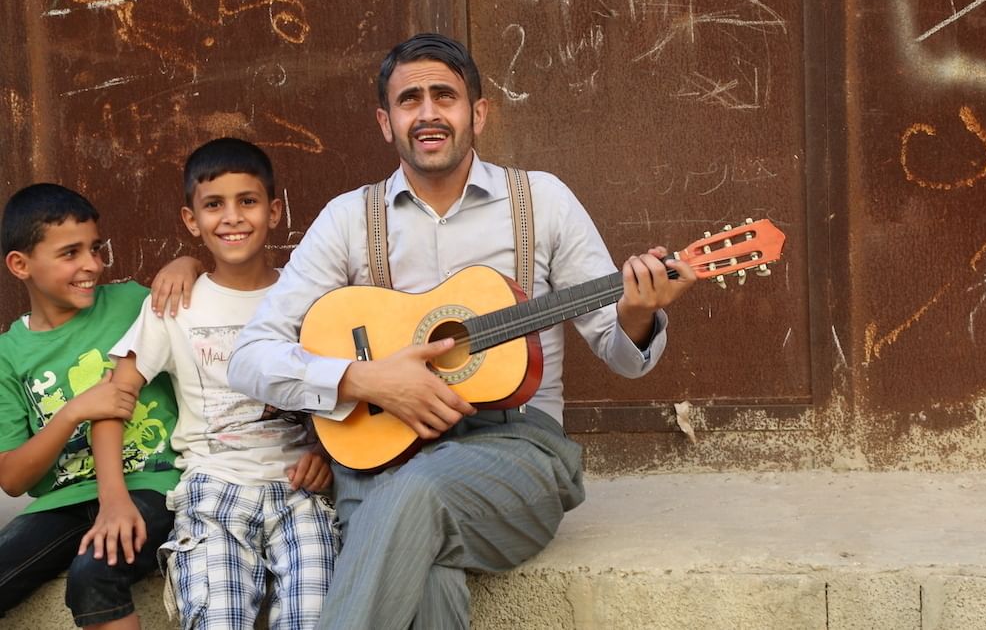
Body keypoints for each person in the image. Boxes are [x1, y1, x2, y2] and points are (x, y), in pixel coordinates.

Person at [227, 32, 696, 629]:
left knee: (414, 494)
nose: (427, 113)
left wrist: (637, 311)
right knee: (425, 575)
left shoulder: (541, 201)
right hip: (381, 457)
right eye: (409, 99)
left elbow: (621, 352)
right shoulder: (349, 219)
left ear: (478, 113)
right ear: (385, 122)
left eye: (444, 96)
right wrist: (363, 380)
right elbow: (250, 357)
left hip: (518, 453)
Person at [102, 138, 338, 629]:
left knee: (316, 616)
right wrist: (114, 498)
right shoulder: (173, 304)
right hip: (214, 490)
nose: (232, 218)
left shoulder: (311, 299)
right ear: (192, 220)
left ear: (274, 211)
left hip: (302, 490)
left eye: (247, 201)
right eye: (214, 205)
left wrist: (328, 454)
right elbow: (113, 398)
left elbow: (346, 388)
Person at [0, 183, 181, 629]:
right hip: (64, 501)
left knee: (95, 573)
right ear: (21, 265)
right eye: (70, 253)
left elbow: (201, 291)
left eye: (95, 248)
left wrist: (187, 263)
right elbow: (13, 478)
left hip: (152, 484)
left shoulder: (132, 303)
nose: (93, 265)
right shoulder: (9, 355)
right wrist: (73, 412)